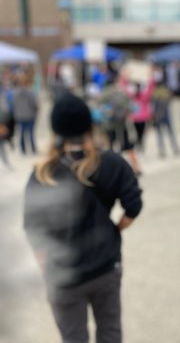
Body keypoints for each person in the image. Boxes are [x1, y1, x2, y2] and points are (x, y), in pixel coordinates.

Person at [23, 93, 142, 343]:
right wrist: (116, 229)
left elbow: (34, 230)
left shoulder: (43, 174)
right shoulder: (112, 163)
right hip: (106, 266)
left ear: (55, 130)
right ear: (90, 125)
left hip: (64, 274)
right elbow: (133, 206)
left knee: (73, 337)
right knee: (110, 332)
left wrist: (46, 270)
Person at [152, 80, 180, 158]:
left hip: (158, 116)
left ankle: (162, 150)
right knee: (171, 133)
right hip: (166, 116)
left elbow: (153, 107)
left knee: (160, 134)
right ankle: (175, 148)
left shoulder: (155, 93)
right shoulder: (166, 93)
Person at [12, 72, 38, 155]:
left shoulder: (15, 93)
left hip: (20, 116)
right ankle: (33, 148)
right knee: (31, 133)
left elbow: (13, 104)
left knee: (22, 133)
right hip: (30, 115)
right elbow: (34, 104)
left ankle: (23, 149)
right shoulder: (30, 92)